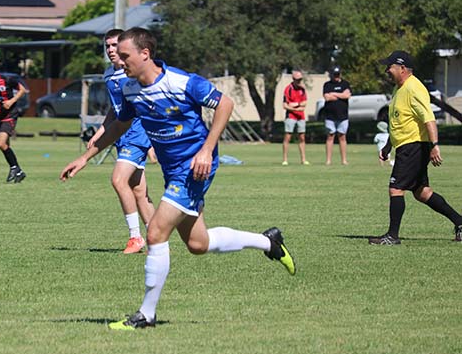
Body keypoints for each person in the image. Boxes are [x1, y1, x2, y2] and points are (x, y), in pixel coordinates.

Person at [60, 28, 296, 330]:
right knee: (198, 243)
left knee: (156, 232)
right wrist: (85, 157)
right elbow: (120, 125)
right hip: (172, 169)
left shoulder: (181, 82)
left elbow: (225, 104)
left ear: (145, 54)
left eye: (125, 54)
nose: (119, 58)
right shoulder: (130, 88)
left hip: (195, 167)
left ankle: (146, 314)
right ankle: (268, 242)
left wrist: (207, 150)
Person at [368, 50, 462, 245]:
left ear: (402, 68)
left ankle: (392, 236)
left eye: (390, 67)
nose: (387, 70)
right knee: (422, 192)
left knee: (396, 188)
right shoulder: (399, 89)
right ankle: (460, 222)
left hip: (414, 146)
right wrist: (388, 146)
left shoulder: (414, 88)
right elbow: (399, 122)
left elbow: (429, 118)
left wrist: (434, 145)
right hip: (407, 145)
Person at [87, 28, 155, 254]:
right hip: (120, 134)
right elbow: (116, 109)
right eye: (107, 46)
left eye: (115, 45)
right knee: (139, 191)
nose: (110, 50)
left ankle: (136, 237)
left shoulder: (132, 74)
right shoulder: (109, 74)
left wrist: (153, 140)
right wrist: (100, 132)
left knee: (118, 180)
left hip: (137, 133)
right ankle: (158, 240)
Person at [322, 66, 351, 165]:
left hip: (343, 116)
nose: (336, 77)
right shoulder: (327, 85)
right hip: (330, 116)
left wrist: (334, 94)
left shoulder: (345, 84)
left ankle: (344, 160)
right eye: (334, 75)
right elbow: (327, 97)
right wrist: (341, 95)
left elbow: (347, 95)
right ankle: (328, 160)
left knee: (342, 137)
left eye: (337, 75)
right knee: (330, 137)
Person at [281, 70, 309, 165]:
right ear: (293, 79)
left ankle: (303, 159)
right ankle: (285, 159)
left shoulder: (302, 89)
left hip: (301, 117)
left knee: (302, 137)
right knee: (288, 137)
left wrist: (295, 104)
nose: (299, 81)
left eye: (300, 79)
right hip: (291, 116)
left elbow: (304, 103)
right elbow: (285, 105)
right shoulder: (288, 89)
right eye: (297, 79)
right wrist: (296, 108)